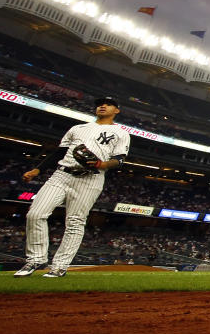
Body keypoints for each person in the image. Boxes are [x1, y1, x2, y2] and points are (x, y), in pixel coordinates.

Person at [13, 96, 131, 278]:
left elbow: (120, 160)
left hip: (91, 178)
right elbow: (59, 152)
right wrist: (37, 170)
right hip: (62, 174)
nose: (102, 105)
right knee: (35, 214)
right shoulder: (78, 128)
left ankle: (60, 266)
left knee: (75, 222)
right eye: (99, 103)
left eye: (108, 104)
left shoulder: (121, 133)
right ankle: (35, 259)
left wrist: (101, 164)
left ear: (116, 110)